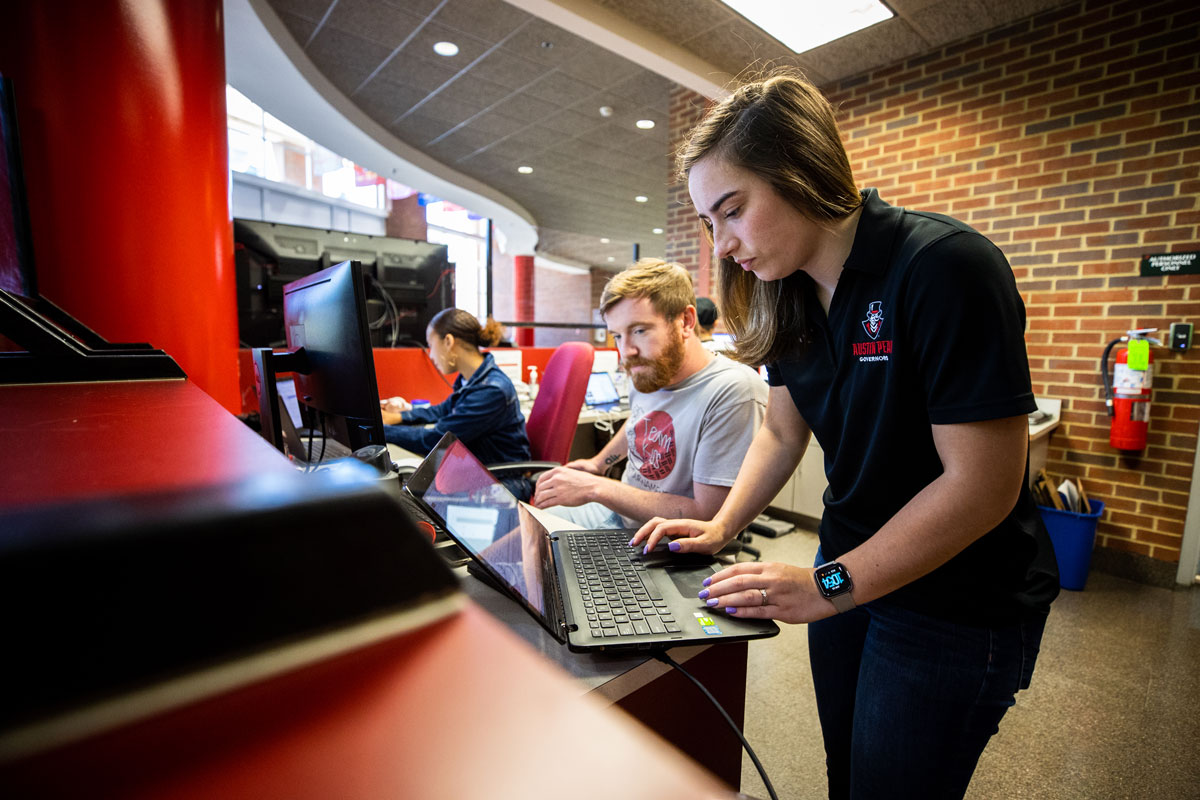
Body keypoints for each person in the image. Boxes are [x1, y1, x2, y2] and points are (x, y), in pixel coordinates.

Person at [632, 71, 1060, 800]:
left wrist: (827, 587)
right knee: (848, 781)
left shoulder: (944, 268)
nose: (722, 245)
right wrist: (722, 525)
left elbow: (982, 487)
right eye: (709, 223)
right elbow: (780, 428)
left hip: (953, 605)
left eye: (732, 211)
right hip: (853, 571)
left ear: (799, 171)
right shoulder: (788, 291)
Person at [532, 259, 767, 529]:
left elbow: (707, 517)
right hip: (621, 516)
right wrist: (599, 464)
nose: (626, 351)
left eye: (640, 330)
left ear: (686, 322)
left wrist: (596, 488)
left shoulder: (734, 391)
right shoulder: (650, 368)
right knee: (517, 535)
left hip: (666, 544)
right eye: (618, 336)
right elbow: (640, 421)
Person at [381, 309, 530, 469]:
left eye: (431, 345)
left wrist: (380, 431)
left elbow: (436, 439)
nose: (431, 356)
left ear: (448, 341)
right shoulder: (471, 378)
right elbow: (441, 411)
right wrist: (396, 417)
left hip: (501, 481)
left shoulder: (491, 390)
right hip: (481, 471)